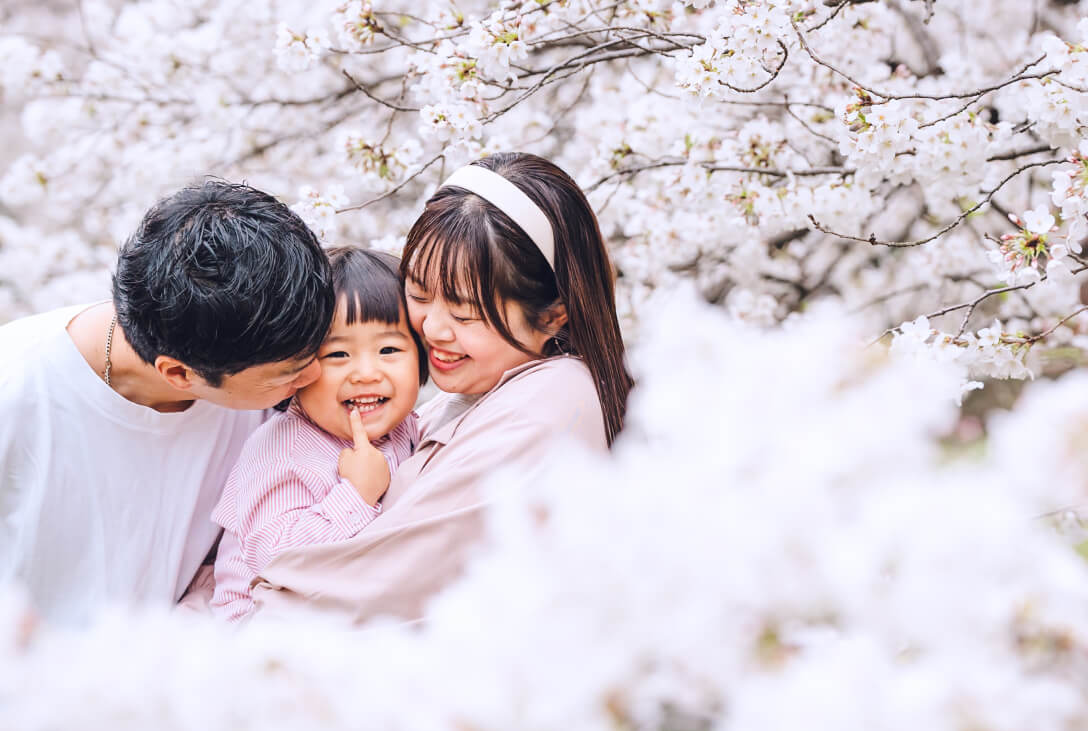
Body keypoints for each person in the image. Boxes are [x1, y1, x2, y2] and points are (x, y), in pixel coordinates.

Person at [250, 152, 631, 622]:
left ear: (552, 316)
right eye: (418, 294)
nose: (432, 328)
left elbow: (355, 591)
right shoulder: (485, 393)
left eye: (465, 313)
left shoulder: (546, 411)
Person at [0, 181, 334, 625]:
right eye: (289, 373)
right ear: (179, 375)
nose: (316, 376)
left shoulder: (259, 388)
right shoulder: (17, 387)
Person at [209, 247, 426, 621]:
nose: (366, 373)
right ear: (297, 367)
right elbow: (276, 560)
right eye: (338, 355)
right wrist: (356, 495)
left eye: (389, 349)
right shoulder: (284, 449)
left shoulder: (409, 427)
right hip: (262, 625)